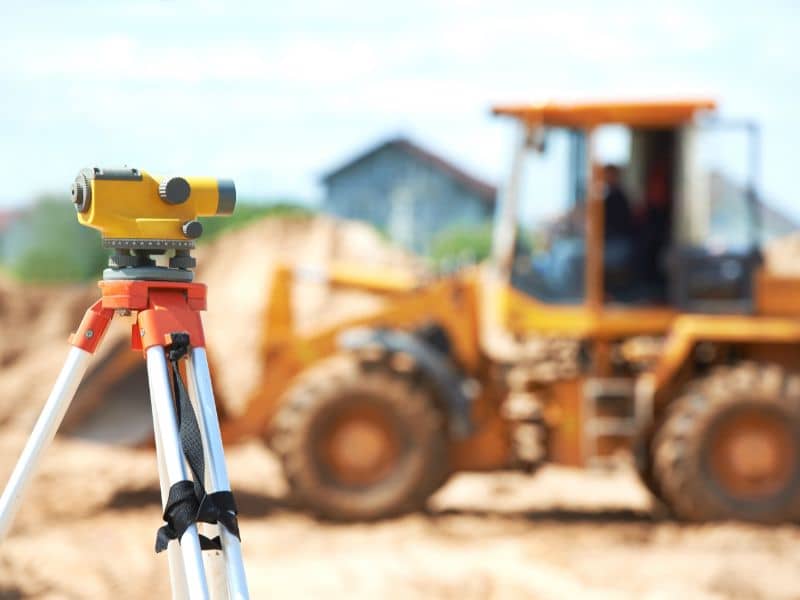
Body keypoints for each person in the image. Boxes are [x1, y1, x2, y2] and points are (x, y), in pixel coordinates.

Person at [602, 164, 634, 298]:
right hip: (614, 243)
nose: (604, 178)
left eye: (607, 174)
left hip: (617, 245)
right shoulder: (610, 196)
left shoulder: (617, 198)